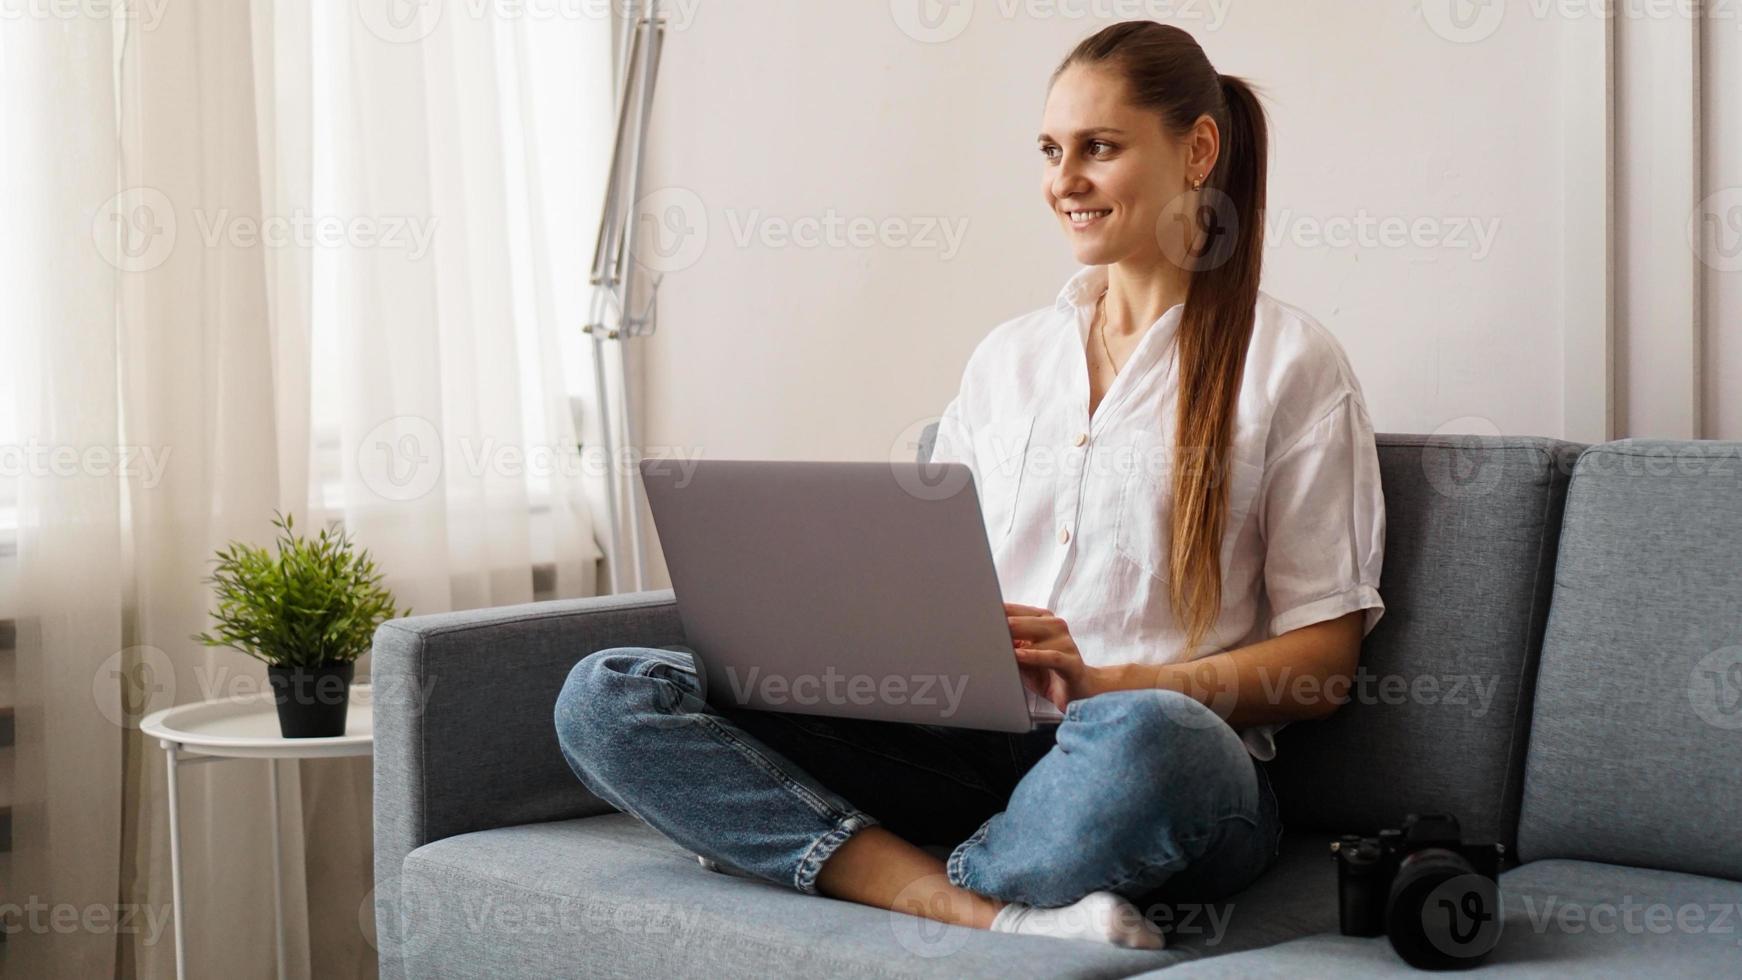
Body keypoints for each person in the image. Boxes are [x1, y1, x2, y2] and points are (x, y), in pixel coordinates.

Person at [554, 19, 1385, 950]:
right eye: (1049, 150)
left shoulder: (1292, 365)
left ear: (1198, 150)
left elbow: (1323, 667)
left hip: (1144, 767)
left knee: (1158, 738)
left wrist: (1112, 681)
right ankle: (988, 909)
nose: (1062, 180)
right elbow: (934, 576)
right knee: (609, 692)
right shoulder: (1009, 361)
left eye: (1098, 149)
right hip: (967, 749)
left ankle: (849, 857)